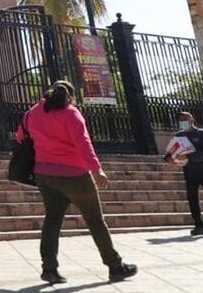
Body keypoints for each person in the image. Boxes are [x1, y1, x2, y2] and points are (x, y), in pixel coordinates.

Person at [17, 81, 137, 284]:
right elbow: (83, 143)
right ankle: (115, 266)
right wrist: (96, 170)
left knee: (52, 220)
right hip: (75, 175)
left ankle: (49, 269)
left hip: (44, 175)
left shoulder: (32, 113)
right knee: (95, 220)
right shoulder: (70, 113)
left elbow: (21, 137)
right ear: (70, 97)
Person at [162, 111, 203, 236]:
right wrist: (168, 158)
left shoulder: (201, 133)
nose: (183, 122)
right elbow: (170, 152)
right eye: (181, 120)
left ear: (192, 119)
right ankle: (198, 224)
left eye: (185, 119)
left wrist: (189, 155)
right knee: (192, 199)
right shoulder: (179, 136)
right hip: (189, 172)